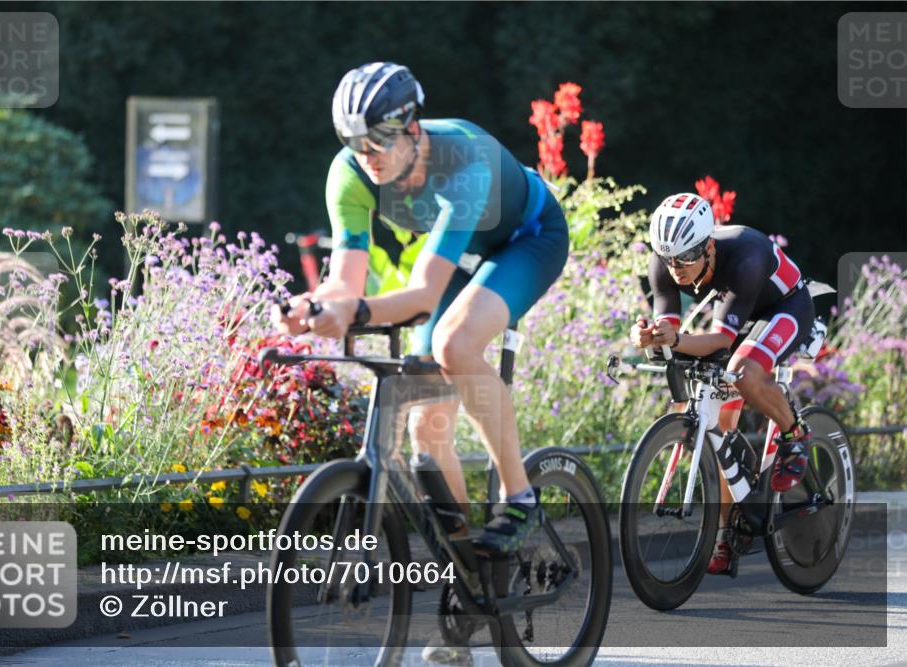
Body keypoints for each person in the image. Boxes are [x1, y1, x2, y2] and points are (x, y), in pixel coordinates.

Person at [270, 62, 568, 664]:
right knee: (424, 429)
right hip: (462, 256)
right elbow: (344, 281)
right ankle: (471, 583)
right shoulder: (349, 175)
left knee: (455, 344)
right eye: (353, 143)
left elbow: (424, 297)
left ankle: (522, 501)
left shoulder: (461, 160)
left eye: (378, 140)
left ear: (412, 128)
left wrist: (353, 313)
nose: (367, 155)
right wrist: (308, 308)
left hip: (528, 239)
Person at [630, 192, 814, 575]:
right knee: (719, 425)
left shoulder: (745, 255)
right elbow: (669, 324)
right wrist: (649, 335)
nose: (676, 269)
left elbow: (718, 343)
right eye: (669, 259)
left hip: (784, 308)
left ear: (709, 247)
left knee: (744, 370)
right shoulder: (666, 259)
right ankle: (727, 532)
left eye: (686, 259)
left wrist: (677, 342)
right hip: (735, 314)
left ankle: (795, 433)